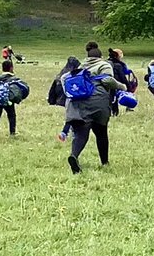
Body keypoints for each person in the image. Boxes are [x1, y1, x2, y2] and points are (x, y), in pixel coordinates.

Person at [62, 44, 124, 174]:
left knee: (81, 133)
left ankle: (74, 156)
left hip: (78, 103)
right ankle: (104, 162)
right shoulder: (104, 65)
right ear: (100, 56)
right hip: (98, 103)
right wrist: (122, 86)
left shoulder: (80, 66)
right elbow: (107, 81)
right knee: (101, 133)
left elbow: (64, 78)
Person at [48, 56, 80, 142]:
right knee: (74, 116)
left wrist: (51, 100)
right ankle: (67, 133)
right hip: (71, 98)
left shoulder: (61, 75)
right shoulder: (73, 76)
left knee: (71, 116)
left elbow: (52, 90)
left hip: (61, 99)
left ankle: (66, 132)